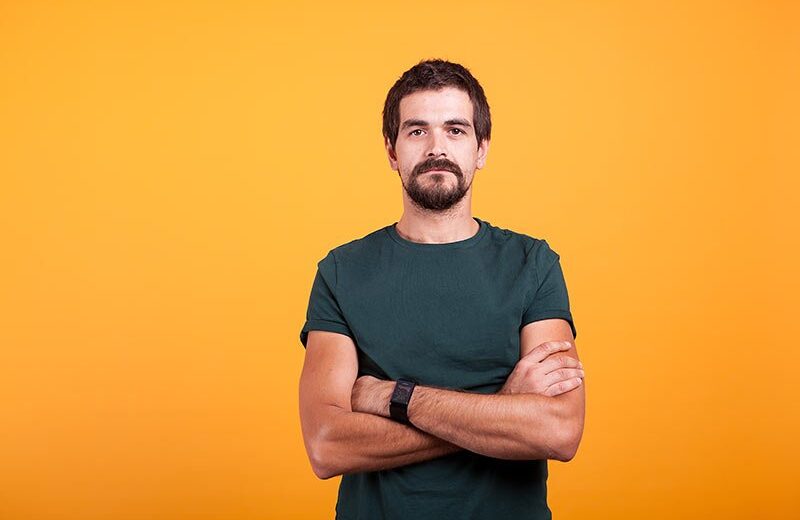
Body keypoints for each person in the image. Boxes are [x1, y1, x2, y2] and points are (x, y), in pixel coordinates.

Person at [298, 58, 585, 520]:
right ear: (392, 151)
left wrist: (391, 397)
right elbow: (327, 445)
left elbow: (559, 431)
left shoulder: (532, 264)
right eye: (417, 131)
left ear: (481, 148)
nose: (437, 148)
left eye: (455, 130)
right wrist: (501, 408)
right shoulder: (341, 271)